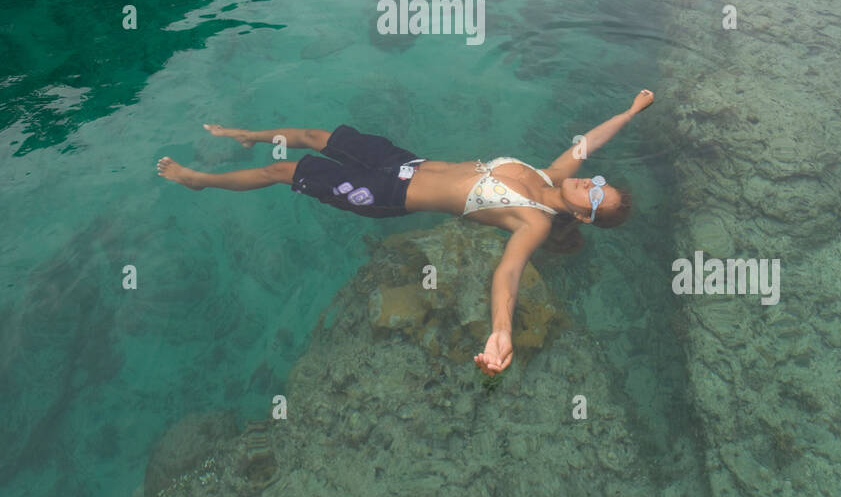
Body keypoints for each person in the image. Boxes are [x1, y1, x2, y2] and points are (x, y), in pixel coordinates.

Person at [158, 89, 654, 376]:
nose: (590, 183)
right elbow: (589, 142)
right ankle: (248, 134)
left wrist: (501, 330)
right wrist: (630, 114)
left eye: (594, 196)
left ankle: (200, 181)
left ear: (585, 217)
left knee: (284, 171)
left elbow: (508, 275)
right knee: (316, 136)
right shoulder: (550, 175)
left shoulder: (533, 221)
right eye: (600, 183)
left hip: (387, 196)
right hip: (406, 162)